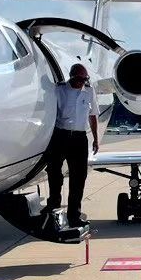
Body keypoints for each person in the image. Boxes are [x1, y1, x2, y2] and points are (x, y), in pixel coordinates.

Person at [46, 62, 100, 228]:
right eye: (79, 79)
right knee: (54, 172)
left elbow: (93, 115)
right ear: (71, 77)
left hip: (79, 138)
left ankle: (74, 215)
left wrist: (96, 139)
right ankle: (53, 207)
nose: (82, 82)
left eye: (84, 79)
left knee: (78, 177)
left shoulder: (89, 91)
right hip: (61, 135)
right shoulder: (59, 90)